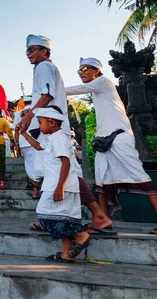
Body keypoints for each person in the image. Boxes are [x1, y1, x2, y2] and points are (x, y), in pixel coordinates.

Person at [16, 35, 112, 232]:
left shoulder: (44, 67)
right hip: (49, 126)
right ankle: (53, 217)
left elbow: (47, 94)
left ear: (44, 51)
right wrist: (31, 111)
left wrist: (28, 117)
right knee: (54, 170)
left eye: (32, 49)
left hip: (53, 128)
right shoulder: (45, 68)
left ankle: (98, 215)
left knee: (71, 174)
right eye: (27, 50)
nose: (28, 54)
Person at [66, 57, 157, 234]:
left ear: (97, 70)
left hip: (119, 139)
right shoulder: (97, 88)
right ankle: (103, 219)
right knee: (102, 179)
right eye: (79, 70)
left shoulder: (103, 81)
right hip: (105, 141)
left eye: (85, 68)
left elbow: (78, 89)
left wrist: (51, 91)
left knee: (140, 177)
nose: (81, 73)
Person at [20, 106, 90, 263]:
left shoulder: (59, 139)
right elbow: (38, 146)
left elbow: (66, 163)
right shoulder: (51, 138)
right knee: (61, 219)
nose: (39, 126)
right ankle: (66, 253)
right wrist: (23, 134)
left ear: (51, 122)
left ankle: (81, 236)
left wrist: (60, 187)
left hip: (60, 185)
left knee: (44, 215)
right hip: (54, 184)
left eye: (40, 122)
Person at [13, 95, 41, 199]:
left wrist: (16, 144)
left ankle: (34, 188)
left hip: (24, 141)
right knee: (36, 163)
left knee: (29, 164)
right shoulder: (37, 111)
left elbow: (16, 130)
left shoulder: (17, 114)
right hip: (37, 141)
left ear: (24, 103)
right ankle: (35, 188)